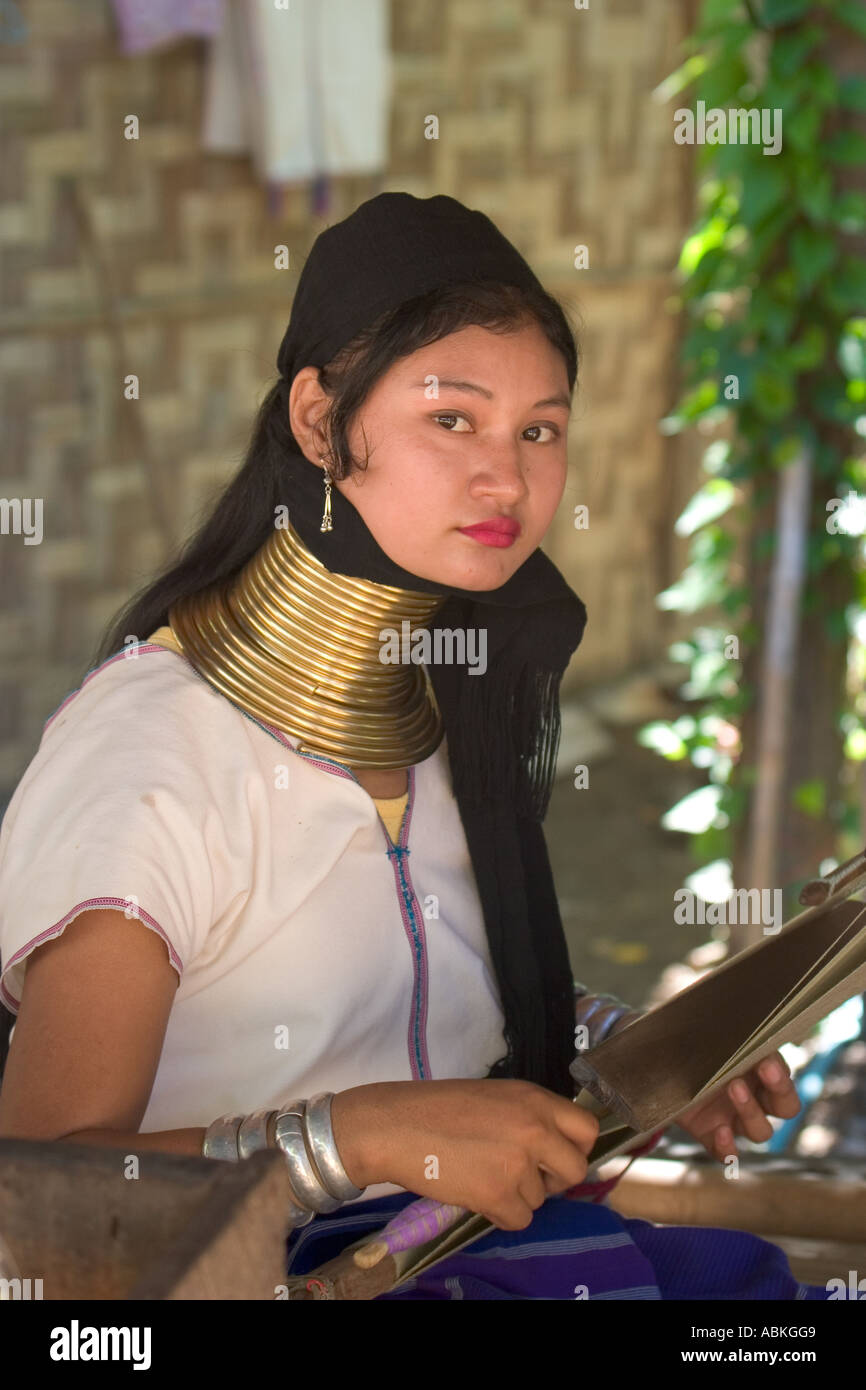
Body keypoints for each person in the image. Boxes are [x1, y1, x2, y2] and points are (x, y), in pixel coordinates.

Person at [0, 193, 828, 1300]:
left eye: (538, 429)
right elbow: (34, 1188)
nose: (507, 477)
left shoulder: (435, 710)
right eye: (453, 419)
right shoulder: (153, 751)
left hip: (459, 1248)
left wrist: (627, 1051)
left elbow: (422, 977)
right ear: (317, 421)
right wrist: (350, 1140)